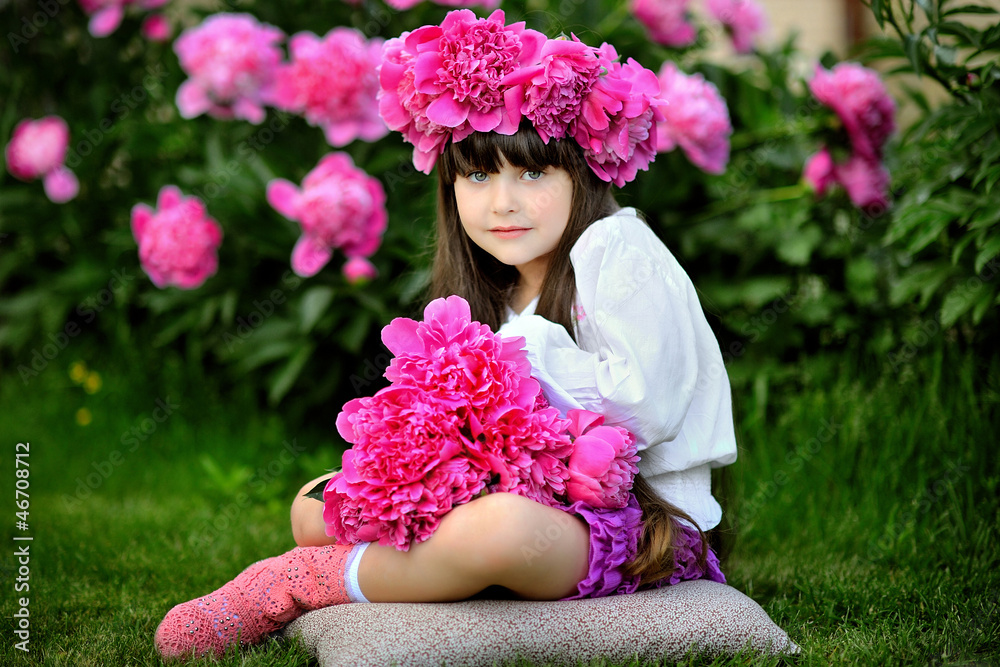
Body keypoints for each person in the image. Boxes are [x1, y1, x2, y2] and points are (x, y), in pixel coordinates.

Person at [155, 9, 737, 661]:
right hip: (526, 496)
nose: (503, 202)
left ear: (582, 172)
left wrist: (527, 358)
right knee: (315, 504)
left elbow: (645, 409)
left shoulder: (618, 247)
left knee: (501, 529)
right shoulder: (498, 293)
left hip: (643, 527)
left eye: (533, 173)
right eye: (479, 176)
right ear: (451, 186)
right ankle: (421, 555)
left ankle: (301, 581)